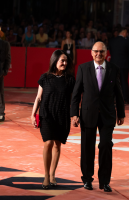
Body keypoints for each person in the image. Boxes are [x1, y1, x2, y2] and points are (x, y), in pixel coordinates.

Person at [70, 42, 125, 192]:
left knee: (106, 146)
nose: (98, 54)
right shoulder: (83, 68)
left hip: (107, 114)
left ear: (106, 53)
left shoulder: (114, 69)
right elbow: (76, 93)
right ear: (91, 52)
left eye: (101, 51)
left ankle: (105, 181)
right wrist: (74, 113)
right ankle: (87, 179)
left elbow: (118, 93)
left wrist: (121, 113)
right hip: (88, 114)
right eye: (96, 51)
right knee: (87, 147)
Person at [31, 50, 75, 189]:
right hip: (47, 114)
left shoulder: (70, 79)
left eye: (66, 61)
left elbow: (74, 99)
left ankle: (52, 174)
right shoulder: (45, 78)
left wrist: (75, 114)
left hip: (62, 115)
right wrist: (33, 114)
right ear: (55, 61)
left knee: (57, 144)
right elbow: (38, 97)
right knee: (48, 142)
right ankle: (45, 175)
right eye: (62, 60)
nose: (64, 63)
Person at [109, 27, 129, 104]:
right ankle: (126, 99)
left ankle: (114, 99)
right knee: (124, 82)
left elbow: (111, 52)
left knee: (114, 82)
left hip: (114, 64)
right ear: (124, 33)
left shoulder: (112, 41)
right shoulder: (127, 41)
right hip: (124, 64)